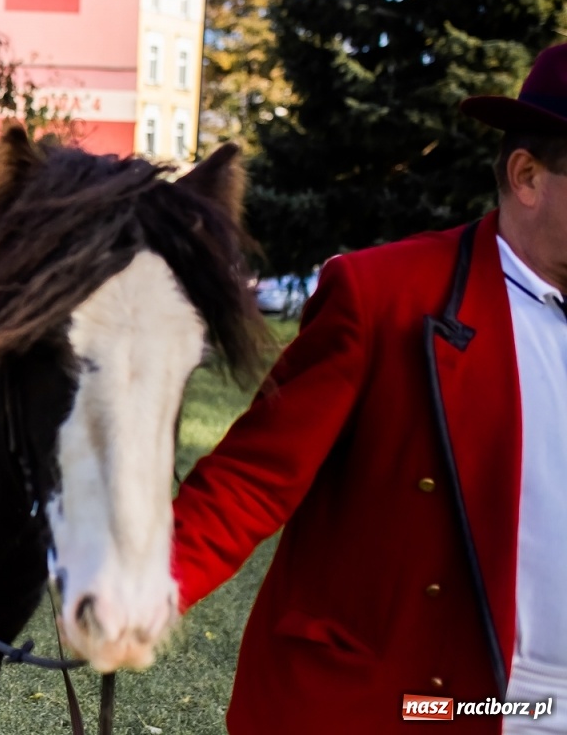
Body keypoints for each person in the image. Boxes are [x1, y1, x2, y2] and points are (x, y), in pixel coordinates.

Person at [172, 43, 567, 734]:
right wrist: (137, 589)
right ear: (527, 176)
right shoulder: (384, 297)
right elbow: (255, 479)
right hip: (432, 703)